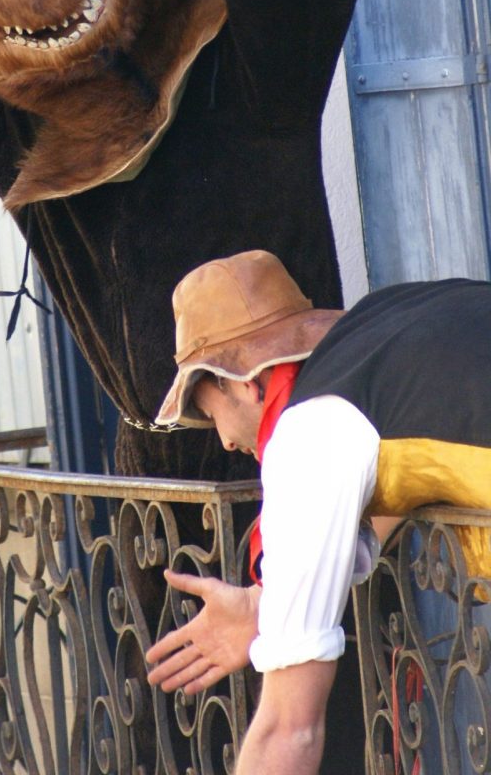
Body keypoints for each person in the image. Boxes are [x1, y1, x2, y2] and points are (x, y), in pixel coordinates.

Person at [145, 249, 491, 775]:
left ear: (242, 382)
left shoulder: (311, 432)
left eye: (211, 414)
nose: (226, 441)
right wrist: (267, 602)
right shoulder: (390, 331)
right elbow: (388, 485)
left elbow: (289, 728)